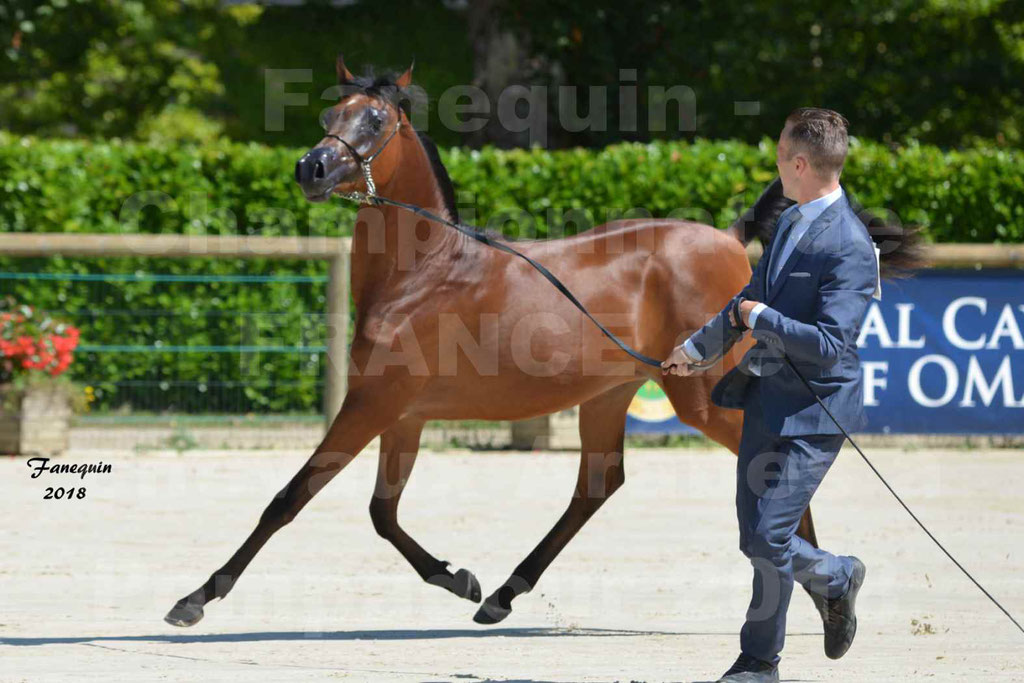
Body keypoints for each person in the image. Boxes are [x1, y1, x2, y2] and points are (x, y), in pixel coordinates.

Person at [662, 107, 878, 682]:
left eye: (781, 157)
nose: (777, 166)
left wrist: (766, 318)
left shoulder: (850, 245)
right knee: (755, 540)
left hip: (814, 411)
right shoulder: (788, 223)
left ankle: (759, 661)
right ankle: (833, 577)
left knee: (769, 536)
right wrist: (693, 349)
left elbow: (831, 346)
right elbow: (745, 303)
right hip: (765, 400)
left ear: (801, 163)